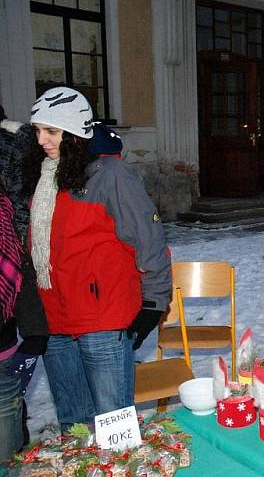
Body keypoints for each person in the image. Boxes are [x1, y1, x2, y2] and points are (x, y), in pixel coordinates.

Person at [22, 87, 172, 431]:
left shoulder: (110, 175)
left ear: (75, 133)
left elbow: (148, 239)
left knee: (112, 423)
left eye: (52, 131)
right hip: (56, 318)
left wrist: (153, 301)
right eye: (38, 130)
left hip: (102, 319)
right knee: (74, 423)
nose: (42, 139)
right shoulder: (46, 176)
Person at [0, 106, 48, 454]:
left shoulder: (20, 142)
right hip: (19, 264)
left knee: (7, 400)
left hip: (19, 262)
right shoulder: (21, 140)